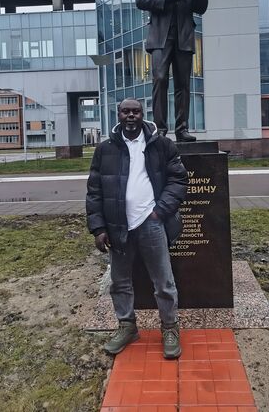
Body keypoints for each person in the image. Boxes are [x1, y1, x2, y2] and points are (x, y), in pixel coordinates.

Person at [86, 98, 188, 359]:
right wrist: (98, 228)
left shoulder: (161, 144)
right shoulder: (105, 149)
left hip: (151, 223)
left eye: (135, 111)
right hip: (118, 226)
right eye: (125, 111)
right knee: (119, 282)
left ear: (143, 115)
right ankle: (127, 326)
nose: (130, 115)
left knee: (163, 282)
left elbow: (178, 179)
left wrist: (159, 211)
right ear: (118, 115)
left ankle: (170, 328)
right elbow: (95, 191)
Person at [135, 0, 208, 142]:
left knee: (183, 84)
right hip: (161, 36)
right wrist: (166, 1)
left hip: (183, 37)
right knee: (159, 79)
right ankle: (160, 130)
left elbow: (202, 7)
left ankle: (182, 129)